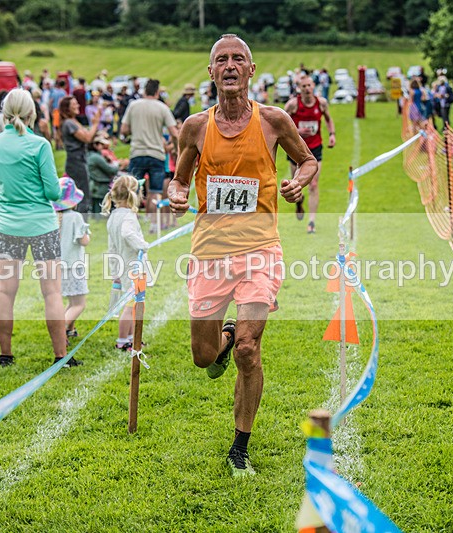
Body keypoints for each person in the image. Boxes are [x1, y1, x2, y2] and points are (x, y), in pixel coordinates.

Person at [167, 34, 317, 476]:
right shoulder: (195, 126)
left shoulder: (273, 121)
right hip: (210, 253)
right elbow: (178, 178)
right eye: (221, 60)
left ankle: (240, 446)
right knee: (202, 356)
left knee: (249, 351)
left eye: (239, 59)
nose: (230, 65)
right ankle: (223, 338)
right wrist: (176, 193)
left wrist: (298, 181)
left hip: (259, 250)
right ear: (211, 73)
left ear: (251, 70)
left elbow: (307, 161)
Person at [0, 89, 80, 368]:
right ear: (32, 113)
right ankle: (60, 355)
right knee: (51, 291)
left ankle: (6, 354)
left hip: (7, 223)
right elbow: (54, 191)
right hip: (41, 223)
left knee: (6, 291)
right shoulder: (39, 145)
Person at [121, 78, 180, 233]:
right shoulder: (162, 108)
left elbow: (124, 130)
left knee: (133, 190)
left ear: (144, 90)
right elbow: (174, 132)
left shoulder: (133, 106)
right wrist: (176, 146)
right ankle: (154, 225)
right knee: (155, 191)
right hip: (156, 155)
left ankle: (130, 225)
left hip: (137, 152)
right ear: (156, 92)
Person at [102, 174, 149, 351]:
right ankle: (123, 341)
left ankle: (130, 338)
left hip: (123, 267)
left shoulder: (114, 215)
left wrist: (115, 270)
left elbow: (111, 247)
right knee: (131, 306)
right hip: (133, 267)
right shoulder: (129, 216)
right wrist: (143, 245)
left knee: (133, 304)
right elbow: (128, 234)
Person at [284, 74, 335, 234]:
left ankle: (311, 222)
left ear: (314, 86)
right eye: (303, 86)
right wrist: (297, 131)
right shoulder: (292, 105)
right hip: (296, 149)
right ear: (299, 88)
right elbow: (281, 124)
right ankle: (299, 203)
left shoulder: (321, 103)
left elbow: (328, 119)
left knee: (313, 185)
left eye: (309, 86)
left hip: (315, 148)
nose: (307, 89)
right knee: (295, 185)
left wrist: (332, 133)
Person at [53, 177, 91, 342]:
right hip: (74, 268)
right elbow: (83, 240)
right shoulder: (75, 217)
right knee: (79, 304)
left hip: (59, 268)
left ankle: (68, 329)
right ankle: (60, 331)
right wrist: (87, 236)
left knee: (71, 302)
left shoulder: (54, 217)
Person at [59, 95, 101, 219]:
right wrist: (95, 123)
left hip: (79, 160)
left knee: (81, 192)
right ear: (67, 108)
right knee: (82, 194)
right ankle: (81, 224)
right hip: (76, 161)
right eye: (74, 104)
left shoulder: (73, 121)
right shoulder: (68, 123)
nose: (77, 105)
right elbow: (87, 138)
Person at [87, 133, 128, 216]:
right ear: (95, 145)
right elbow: (111, 170)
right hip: (100, 186)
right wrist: (121, 165)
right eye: (101, 144)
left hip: (96, 186)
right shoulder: (96, 157)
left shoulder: (91, 155)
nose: (103, 146)